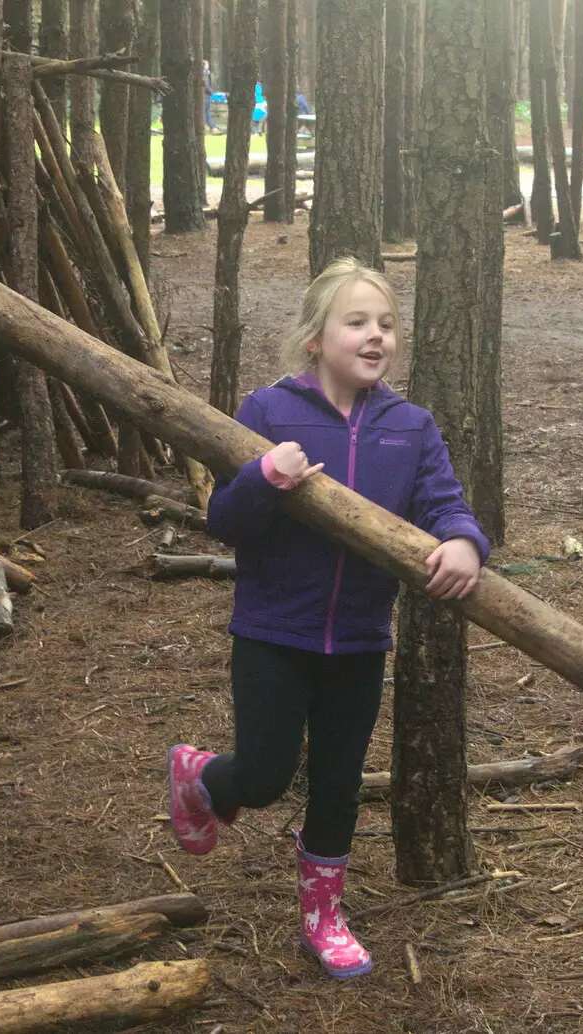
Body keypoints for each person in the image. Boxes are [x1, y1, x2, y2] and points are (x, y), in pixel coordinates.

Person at [165, 258, 490, 980]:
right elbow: (226, 521)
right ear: (315, 338)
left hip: (361, 640)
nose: (376, 337)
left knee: (339, 782)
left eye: (386, 324)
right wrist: (264, 477)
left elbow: (443, 500)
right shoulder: (267, 413)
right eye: (357, 323)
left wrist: (464, 541)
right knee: (266, 775)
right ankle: (200, 776)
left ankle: (323, 916)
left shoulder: (410, 427)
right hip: (273, 635)